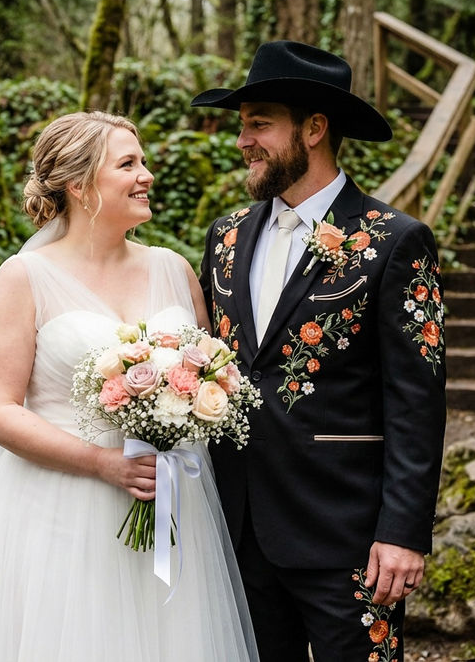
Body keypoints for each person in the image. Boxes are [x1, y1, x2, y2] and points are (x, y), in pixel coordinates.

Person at [0, 111, 258, 661]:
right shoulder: (24, 278)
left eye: (143, 161)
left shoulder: (174, 269)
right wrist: (101, 463)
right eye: (128, 164)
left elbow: (209, 371)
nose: (146, 175)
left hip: (170, 504)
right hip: (60, 510)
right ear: (78, 184)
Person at [192, 41, 447, 662]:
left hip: (348, 538)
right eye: (242, 125)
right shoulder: (225, 237)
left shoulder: (395, 241)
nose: (243, 141)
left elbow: (416, 401)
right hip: (239, 535)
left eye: (259, 124)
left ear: (314, 129)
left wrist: (403, 532)